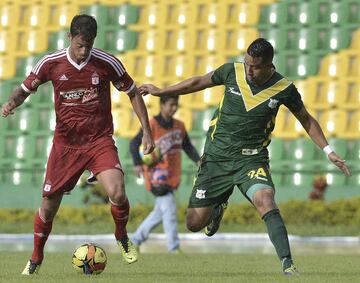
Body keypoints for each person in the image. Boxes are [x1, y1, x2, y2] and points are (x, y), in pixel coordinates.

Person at [139, 38, 351, 275]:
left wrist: (328, 151)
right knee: (193, 223)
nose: (248, 69)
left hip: (251, 159)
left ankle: (288, 264)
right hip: (216, 158)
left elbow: (306, 119)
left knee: (266, 199)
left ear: (269, 65)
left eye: (255, 66)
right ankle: (218, 206)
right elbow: (198, 82)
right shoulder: (232, 71)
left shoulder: (284, 89)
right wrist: (161, 91)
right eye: (247, 62)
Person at [1, 15, 154, 275]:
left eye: (89, 45)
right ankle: (36, 257)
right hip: (65, 146)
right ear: (70, 38)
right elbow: (25, 89)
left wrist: (147, 133)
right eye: (80, 45)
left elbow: (132, 93)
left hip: (99, 141)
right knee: (48, 209)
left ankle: (122, 237)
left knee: (117, 191)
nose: (84, 51)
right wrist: (11, 103)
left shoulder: (107, 63)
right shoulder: (51, 63)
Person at [129, 95, 200, 253]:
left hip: (172, 174)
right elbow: (134, 143)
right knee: (170, 211)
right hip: (157, 175)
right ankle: (173, 248)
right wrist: (137, 163)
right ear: (162, 105)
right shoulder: (151, 125)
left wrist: (198, 160)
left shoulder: (179, 126)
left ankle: (135, 240)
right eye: (170, 105)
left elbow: (187, 146)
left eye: (176, 105)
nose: (174, 108)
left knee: (160, 212)